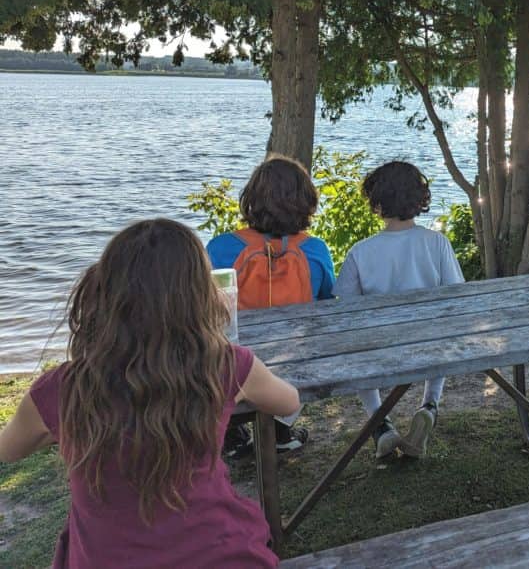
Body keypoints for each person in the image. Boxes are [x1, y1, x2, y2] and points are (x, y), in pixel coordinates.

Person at [0, 219, 300, 568]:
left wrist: (62, 430)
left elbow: (8, 450)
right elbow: (288, 401)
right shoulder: (225, 365)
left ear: (105, 292)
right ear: (198, 295)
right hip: (222, 554)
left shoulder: (60, 389)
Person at [207, 155, 336, 455]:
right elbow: (328, 301)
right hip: (296, 364)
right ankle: (281, 429)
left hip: (233, 364)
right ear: (306, 202)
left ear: (251, 200)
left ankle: (231, 433)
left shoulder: (221, 247)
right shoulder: (315, 250)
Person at [335, 160, 464, 459]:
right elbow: (456, 296)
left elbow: (346, 310)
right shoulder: (437, 243)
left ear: (377, 204)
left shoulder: (360, 252)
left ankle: (381, 424)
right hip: (430, 345)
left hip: (379, 351)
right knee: (438, 330)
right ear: (419, 200)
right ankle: (430, 404)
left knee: (357, 349)